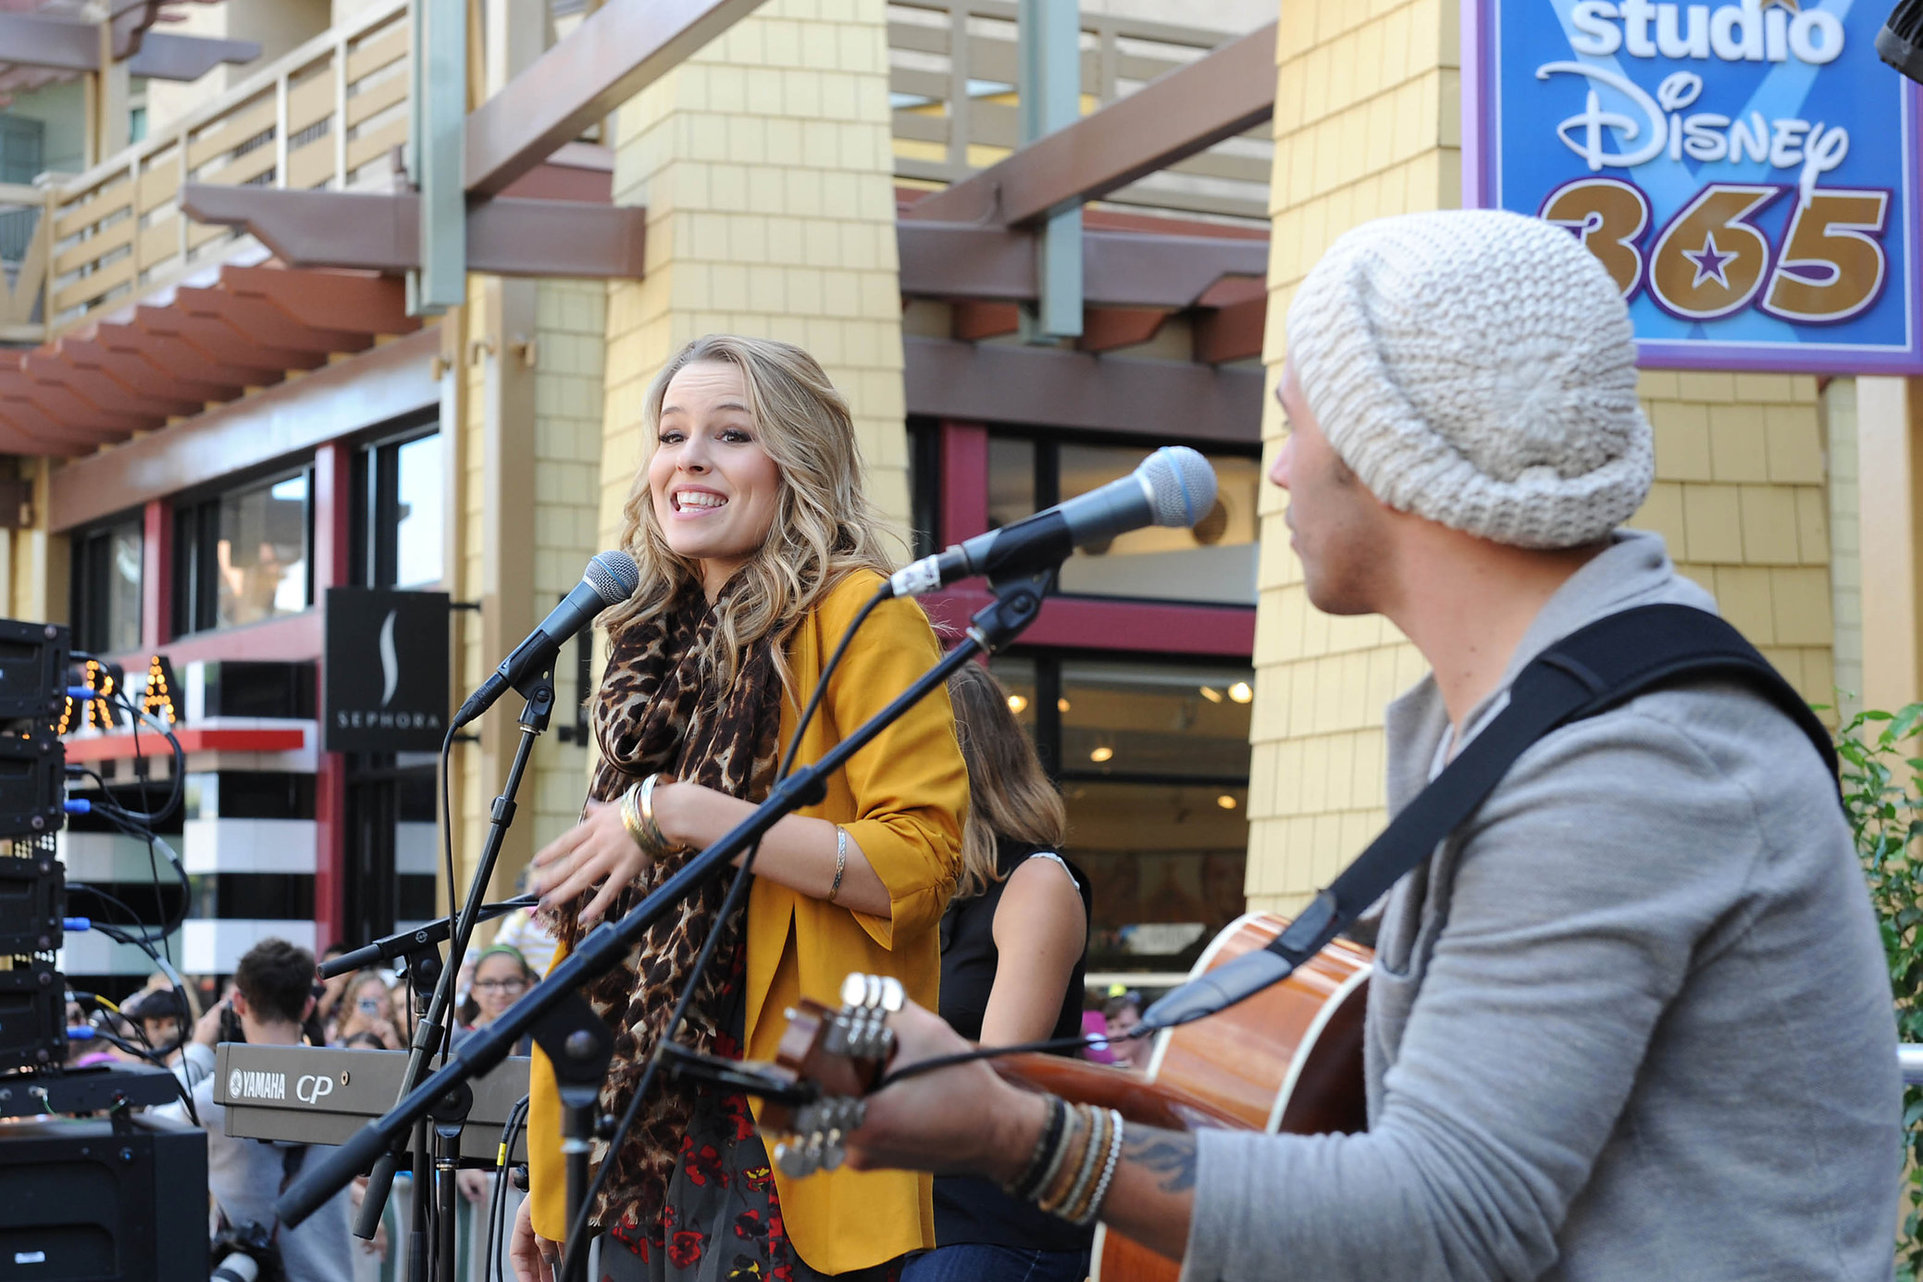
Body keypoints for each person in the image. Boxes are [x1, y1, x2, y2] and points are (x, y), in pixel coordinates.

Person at [839, 209, 1903, 1279]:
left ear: (1390, 451)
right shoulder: (1526, 722)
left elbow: (1446, 1217)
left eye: (1294, 424)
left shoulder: (1628, 765)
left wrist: (1013, 1132)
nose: (1280, 472)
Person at [510, 334, 968, 1282]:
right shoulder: (648, 645)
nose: (689, 459)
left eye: (730, 434)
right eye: (671, 435)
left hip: (801, 1107)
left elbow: (922, 862)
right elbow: (605, 942)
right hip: (638, 1132)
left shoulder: (861, 615)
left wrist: (688, 813)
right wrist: (554, 1168)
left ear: (796, 461)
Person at [901, 662, 1091, 1282]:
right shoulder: (925, 892)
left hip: (993, 1224)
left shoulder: (1037, 883)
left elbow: (995, 1081)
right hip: (910, 1214)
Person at [157, 938, 354, 1282]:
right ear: (308, 1007)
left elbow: (155, 1120)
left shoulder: (215, 1096)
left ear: (238, 1003)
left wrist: (200, 1050)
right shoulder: (345, 1086)